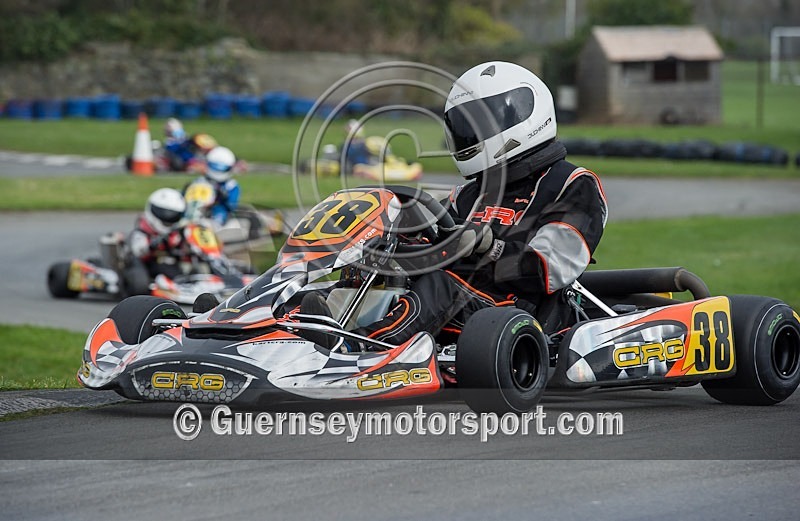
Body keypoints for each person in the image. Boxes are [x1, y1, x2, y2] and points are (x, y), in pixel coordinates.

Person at [303, 61, 608, 350]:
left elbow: (548, 269)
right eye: (465, 124)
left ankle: (357, 346)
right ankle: (302, 332)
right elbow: (429, 234)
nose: (470, 134)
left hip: (518, 312)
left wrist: (490, 247)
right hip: (460, 304)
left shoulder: (572, 184)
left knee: (443, 284)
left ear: (523, 115)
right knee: (372, 269)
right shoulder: (469, 194)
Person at [128, 187, 187, 279]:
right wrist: (153, 244)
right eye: (166, 213)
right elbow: (138, 251)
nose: (169, 217)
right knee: (165, 266)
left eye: (173, 215)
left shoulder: (178, 230)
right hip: (152, 265)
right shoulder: (143, 230)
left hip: (177, 261)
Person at [203, 145, 240, 226]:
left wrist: (223, 197)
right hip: (199, 207)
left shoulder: (231, 186)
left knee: (220, 210)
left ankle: (215, 226)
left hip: (216, 212)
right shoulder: (201, 181)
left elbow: (232, 206)